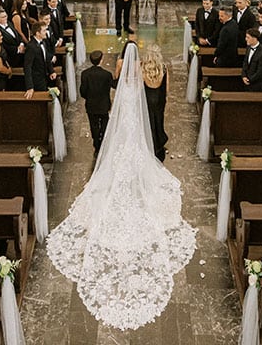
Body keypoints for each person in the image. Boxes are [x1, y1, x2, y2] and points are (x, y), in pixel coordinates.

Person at [46, 41, 196, 331]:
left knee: (119, 160)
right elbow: (145, 107)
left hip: (122, 126)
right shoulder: (142, 78)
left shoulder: (130, 76)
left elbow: (119, 103)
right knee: (136, 156)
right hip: (135, 129)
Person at [79, 50, 113, 156]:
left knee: (94, 126)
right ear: (101, 60)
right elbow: (110, 87)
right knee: (104, 124)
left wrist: (89, 97)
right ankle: (102, 142)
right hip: (103, 105)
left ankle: (97, 145)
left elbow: (83, 91)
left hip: (91, 105)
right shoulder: (107, 74)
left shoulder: (85, 74)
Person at [141, 44, 169, 161]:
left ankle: (149, 143)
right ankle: (159, 143)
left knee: (148, 120)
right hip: (159, 98)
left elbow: (139, 86)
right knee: (158, 120)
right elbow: (167, 88)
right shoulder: (163, 68)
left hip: (148, 97)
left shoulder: (143, 68)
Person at [24, 21, 56, 98]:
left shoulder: (43, 42)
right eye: (44, 30)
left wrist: (51, 71)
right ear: (38, 33)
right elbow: (27, 67)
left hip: (44, 76)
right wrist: (30, 87)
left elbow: (46, 58)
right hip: (37, 79)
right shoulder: (31, 47)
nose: (46, 32)